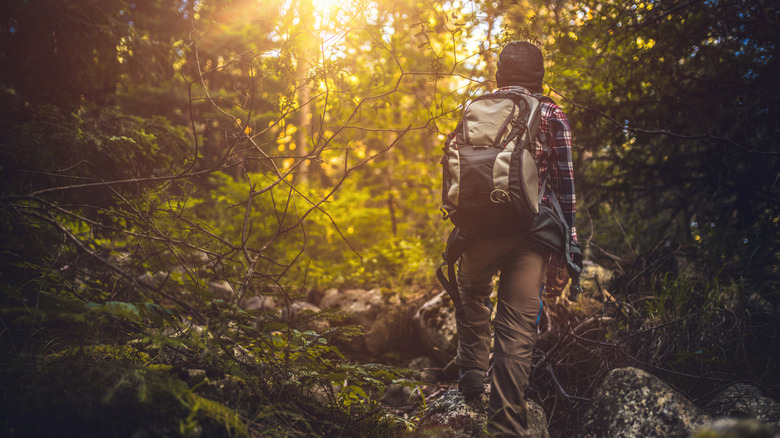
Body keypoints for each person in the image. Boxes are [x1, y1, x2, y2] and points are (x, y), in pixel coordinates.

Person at [453, 41, 577, 437]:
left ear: (499, 75)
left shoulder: (474, 109)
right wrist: (566, 253)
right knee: (517, 331)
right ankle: (505, 427)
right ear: (540, 77)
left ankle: (472, 368)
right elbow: (566, 190)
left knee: (471, 289)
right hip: (531, 236)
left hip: (478, 232)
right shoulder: (552, 114)